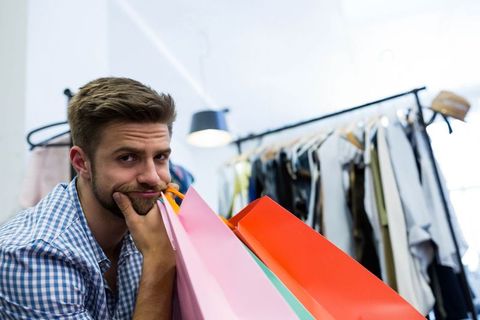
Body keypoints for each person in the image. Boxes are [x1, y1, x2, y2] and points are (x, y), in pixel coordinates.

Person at [0, 77, 178, 319]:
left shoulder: (157, 226)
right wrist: (159, 261)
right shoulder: (31, 254)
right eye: (127, 157)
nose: (152, 177)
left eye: (160, 157)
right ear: (81, 162)